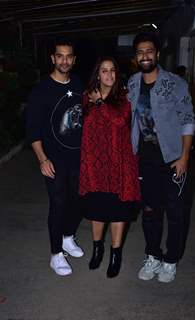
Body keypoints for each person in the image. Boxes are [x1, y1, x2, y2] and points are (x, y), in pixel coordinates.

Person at [128, 31, 195, 283]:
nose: (145, 56)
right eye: (140, 52)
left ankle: (171, 260)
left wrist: (185, 157)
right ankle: (153, 255)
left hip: (173, 159)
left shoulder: (175, 83)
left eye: (149, 51)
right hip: (144, 160)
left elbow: (188, 120)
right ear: (136, 57)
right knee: (149, 211)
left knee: (175, 213)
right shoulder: (133, 83)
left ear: (157, 54)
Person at [26, 38, 84, 276]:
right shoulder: (41, 90)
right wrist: (42, 159)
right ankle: (56, 253)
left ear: (74, 59)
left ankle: (68, 236)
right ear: (53, 58)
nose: (64, 60)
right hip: (54, 159)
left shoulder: (79, 84)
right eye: (60, 56)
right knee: (58, 204)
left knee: (79, 202)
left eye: (68, 56)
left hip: (79, 157)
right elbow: (32, 129)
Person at [79, 56, 141, 278]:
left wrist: (100, 103)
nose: (109, 75)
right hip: (95, 168)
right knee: (97, 211)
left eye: (112, 70)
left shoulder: (124, 99)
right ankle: (98, 249)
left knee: (117, 212)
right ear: (97, 74)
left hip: (118, 167)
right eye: (104, 71)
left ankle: (116, 255)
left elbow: (119, 121)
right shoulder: (86, 98)